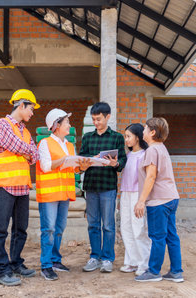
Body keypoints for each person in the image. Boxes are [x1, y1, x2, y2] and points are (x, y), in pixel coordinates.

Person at [0, 89, 40, 286]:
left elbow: (35, 156)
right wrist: (25, 150)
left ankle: (15, 263)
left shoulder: (25, 131)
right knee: (0, 229)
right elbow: (15, 145)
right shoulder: (3, 124)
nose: (32, 113)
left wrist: (24, 150)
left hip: (22, 188)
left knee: (21, 229)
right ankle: (1, 271)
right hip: (5, 186)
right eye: (31, 109)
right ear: (21, 105)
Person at [36, 109, 91, 281]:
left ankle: (55, 260)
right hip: (50, 195)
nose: (69, 125)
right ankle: (46, 266)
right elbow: (45, 166)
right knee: (49, 229)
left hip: (64, 193)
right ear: (57, 125)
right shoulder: (45, 143)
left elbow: (73, 168)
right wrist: (65, 160)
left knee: (59, 229)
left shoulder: (68, 145)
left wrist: (82, 166)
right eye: (67, 122)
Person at [134, 117, 184, 283]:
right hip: (171, 197)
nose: (143, 132)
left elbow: (151, 177)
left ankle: (154, 271)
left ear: (152, 132)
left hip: (159, 201)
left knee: (157, 237)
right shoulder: (162, 148)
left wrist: (141, 201)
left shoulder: (151, 150)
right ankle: (176, 271)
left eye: (145, 129)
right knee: (171, 236)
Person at [79, 102, 127, 273]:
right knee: (93, 224)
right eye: (93, 119)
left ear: (108, 117)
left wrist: (116, 163)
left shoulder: (116, 137)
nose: (96, 122)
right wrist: (84, 163)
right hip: (91, 185)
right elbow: (81, 158)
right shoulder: (87, 137)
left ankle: (107, 259)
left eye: (99, 119)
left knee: (108, 224)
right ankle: (94, 257)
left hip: (108, 187)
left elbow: (122, 161)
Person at [119, 123, 151, 277]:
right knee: (126, 227)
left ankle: (144, 264)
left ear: (137, 137)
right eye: (125, 136)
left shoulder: (145, 154)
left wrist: (142, 200)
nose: (126, 140)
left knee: (138, 228)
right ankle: (132, 261)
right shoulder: (128, 156)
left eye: (128, 136)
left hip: (138, 195)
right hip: (125, 193)